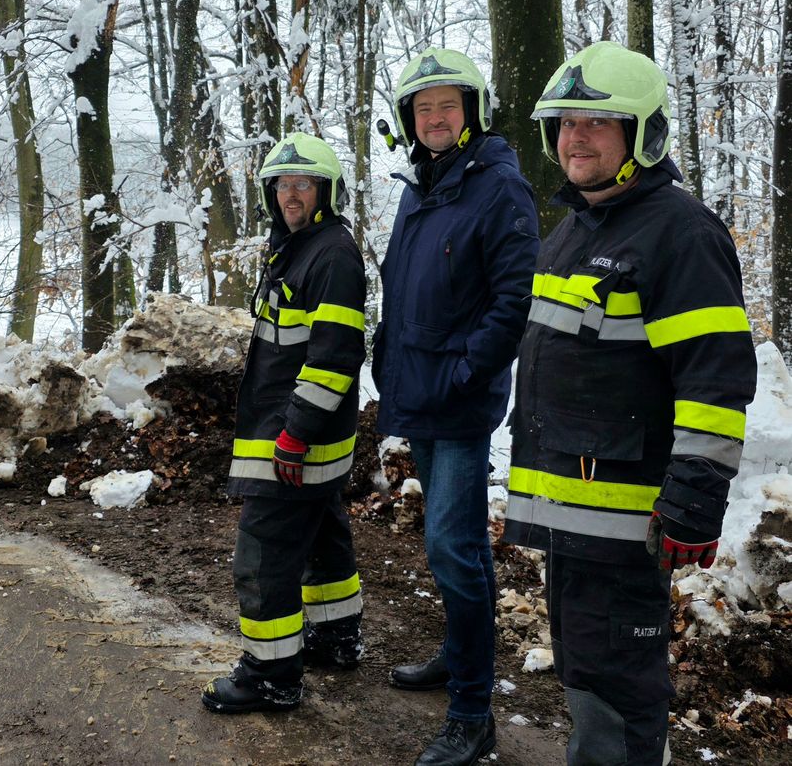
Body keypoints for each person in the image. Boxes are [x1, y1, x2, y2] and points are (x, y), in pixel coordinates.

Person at [503, 41, 758, 765]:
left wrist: (693, 499)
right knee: (587, 680)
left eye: (597, 123)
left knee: (619, 698)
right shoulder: (572, 232)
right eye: (565, 122)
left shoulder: (680, 234)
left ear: (642, 136)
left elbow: (716, 378)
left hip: (626, 523)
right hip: (570, 515)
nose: (574, 137)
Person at [373, 47, 540, 765]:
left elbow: (514, 298)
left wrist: (470, 371)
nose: (435, 118)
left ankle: (473, 711)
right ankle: (457, 652)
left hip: (461, 399)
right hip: (420, 390)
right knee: (453, 544)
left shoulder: (497, 186)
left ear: (472, 111)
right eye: (423, 108)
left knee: (453, 545)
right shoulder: (425, 184)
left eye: (447, 105)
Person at [202, 133, 367, 714]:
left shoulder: (331, 255)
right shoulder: (299, 246)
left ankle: (270, 675)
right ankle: (336, 636)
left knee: (265, 552)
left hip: (295, 435)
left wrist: (294, 433)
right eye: (282, 185)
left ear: (325, 191)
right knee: (323, 534)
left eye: (303, 184)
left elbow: (336, 355)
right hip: (301, 432)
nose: (290, 195)